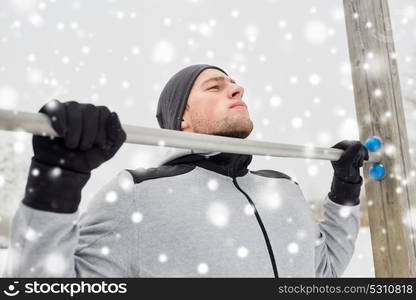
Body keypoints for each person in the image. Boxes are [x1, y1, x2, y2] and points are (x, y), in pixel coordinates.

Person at [3, 64, 368, 277]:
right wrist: (56, 183)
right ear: (182, 120)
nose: (237, 88)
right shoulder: (138, 193)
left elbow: (323, 270)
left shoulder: (284, 188)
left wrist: (346, 188)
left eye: (234, 83)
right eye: (215, 86)